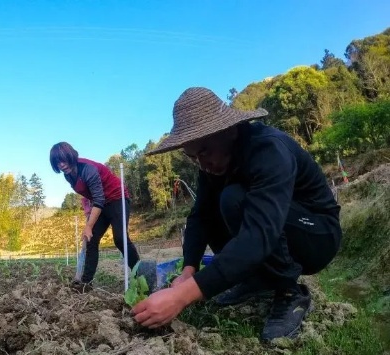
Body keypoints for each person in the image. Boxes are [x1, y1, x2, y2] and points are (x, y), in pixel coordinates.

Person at [132, 87, 342, 341]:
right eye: (193, 157)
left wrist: (182, 296)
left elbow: (259, 234)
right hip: (276, 228)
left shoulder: (268, 151)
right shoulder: (211, 165)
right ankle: (257, 280)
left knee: (234, 198)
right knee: (221, 203)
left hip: (318, 234)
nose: (202, 164)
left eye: (205, 151)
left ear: (229, 131)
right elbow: (200, 217)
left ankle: (290, 292)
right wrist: (189, 269)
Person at [49, 142, 140, 291]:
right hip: (100, 203)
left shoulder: (88, 169)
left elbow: (98, 199)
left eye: (64, 160)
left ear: (71, 156)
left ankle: (140, 276)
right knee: (91, 239)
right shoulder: (68, 176)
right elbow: (87, 195)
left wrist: (89, 225)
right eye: (57, 162)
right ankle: (85, 283)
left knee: (120, 239)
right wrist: (88, 216)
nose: (61, 165)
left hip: (117, 198)